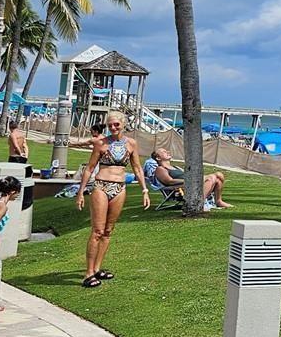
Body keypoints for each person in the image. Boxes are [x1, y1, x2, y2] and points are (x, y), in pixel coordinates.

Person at [75, 112, 148, 288]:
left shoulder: (131, 144)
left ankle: (97, 268)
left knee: (108, 231)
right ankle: (88, 273)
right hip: (101, 186)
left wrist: (144, 190)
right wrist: (80, 192)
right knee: (97, 231)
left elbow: (137, 168)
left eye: (116, 124)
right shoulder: (101, 143)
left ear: (123, 124)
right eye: (110, 125)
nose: (113, 128)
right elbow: (89, 168)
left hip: (120, 188)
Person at [144, 147, 229, 209]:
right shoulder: (160, 169)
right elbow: (169, 181)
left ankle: (218, 201)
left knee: (219, 175)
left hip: (190, 183)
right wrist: (189, 181)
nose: (168, 152)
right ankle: (199, 204)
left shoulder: (175, 167)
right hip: (181, 188)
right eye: (164, 152)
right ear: (158, 158)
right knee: (211, 178)